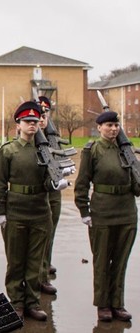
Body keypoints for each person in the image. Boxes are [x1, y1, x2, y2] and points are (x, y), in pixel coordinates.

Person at [0, 101, 68, 321]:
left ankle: (32, 302)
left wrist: (56, 183)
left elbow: (48, 181)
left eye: (35, 122)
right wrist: (0, 210)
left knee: (36, 261)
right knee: (16, 261)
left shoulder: (45, 152)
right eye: (28, 122)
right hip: (16, 210)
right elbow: (0, 183)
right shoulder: (8, 151)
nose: (32, 125)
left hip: (39, 210)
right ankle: (16, 302)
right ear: (19, 124)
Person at [74, 111, 137, 322]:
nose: (113, 129)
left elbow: (136, 187)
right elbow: (82, 183)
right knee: (102, 261)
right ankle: (103, 304)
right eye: (109, 125)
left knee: (120, 261)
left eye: (116, 125)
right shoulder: (93, 150)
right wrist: (84, 211)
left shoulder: (126, 150)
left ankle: (117, 303)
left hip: (126, 211)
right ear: (99, 127)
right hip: (102, 211)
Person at [37, 96, 60, 295]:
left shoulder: (54, 136)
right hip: (37, 195)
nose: (42, 119)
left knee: (50, 233)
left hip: (54, 193)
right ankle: (39, 274)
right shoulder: (31, 138)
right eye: (39, 115)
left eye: (45, 115)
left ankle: (45, 265)